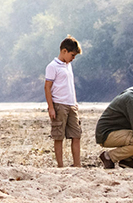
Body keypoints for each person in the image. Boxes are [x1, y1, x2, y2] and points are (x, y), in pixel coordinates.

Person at [45, 35, 82, 167]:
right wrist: (51, 107)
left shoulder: (68, 66)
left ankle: (77, 164)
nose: (73, 58)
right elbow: (47, 87)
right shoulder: (52, 66)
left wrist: (74, 102)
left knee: (76, 134)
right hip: (59, 104)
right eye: (72, 55)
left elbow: (69, 85)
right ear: (64, 51)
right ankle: (60, 165)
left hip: (71, 105)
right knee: (59, 136)